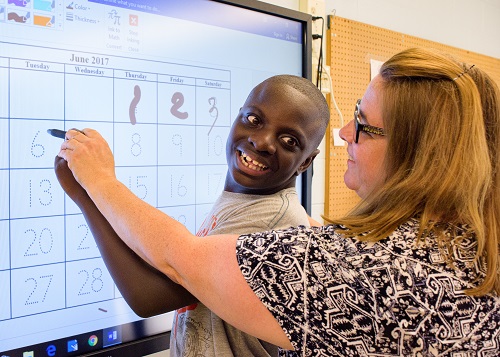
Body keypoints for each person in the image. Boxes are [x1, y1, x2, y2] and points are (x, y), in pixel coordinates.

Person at [57, 47, 500, 356]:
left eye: (363, 124)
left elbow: (173, 269)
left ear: (416, 157)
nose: (346, 133)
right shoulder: (465, 248)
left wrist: (95, 184)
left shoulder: (361, 267)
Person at [55, 74, 330, 357]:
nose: (261, 142)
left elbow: (149, 297)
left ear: (307, 160)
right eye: (254, 120)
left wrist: (91, 190)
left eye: (288, 140)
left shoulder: (269, 222)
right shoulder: (247, 199)